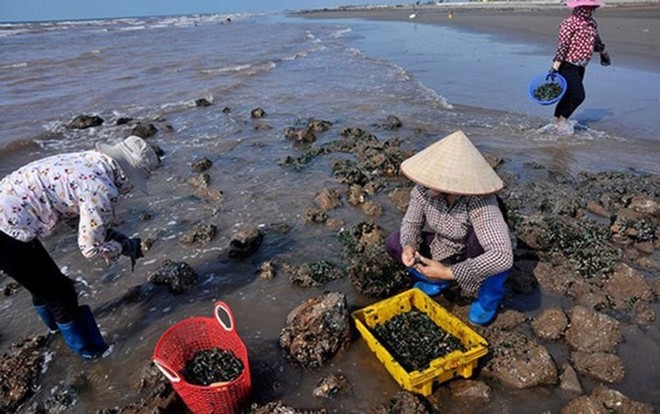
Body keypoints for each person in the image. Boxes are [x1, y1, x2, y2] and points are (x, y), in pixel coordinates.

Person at [0, 136, 160, 359]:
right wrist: (120, 247)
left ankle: (56, 331)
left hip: (10, 214)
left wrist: (110, 235)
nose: (130, 189)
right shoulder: (101, 189)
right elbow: (89, 249)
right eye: (134, 180)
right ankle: (92, 356)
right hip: (8, 227)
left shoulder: (89, 161)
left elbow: (70, 209)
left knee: (41, 283)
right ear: (125, 173)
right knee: (61, 293)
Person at [385, 130, 513, 326]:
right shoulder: (422, 190)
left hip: (475, 252)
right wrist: (409, 246)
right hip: (444, 247)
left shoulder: (480, 201)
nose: (425, 183)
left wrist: (449, 272)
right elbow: (411, 224)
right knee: (395, 243)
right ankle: (438, 281)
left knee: (484, 247)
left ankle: (488, 299)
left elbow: (501, 256)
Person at [550, 0, 610, 135]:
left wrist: (603, 54)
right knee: (578, 95)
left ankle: (555, 121)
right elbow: (563, 46)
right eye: (589, 7)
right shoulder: (568, 23)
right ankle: (561, 122)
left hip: (581, 66)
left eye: (592, 7)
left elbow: (596, 42)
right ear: (580, 7)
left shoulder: (592, 23)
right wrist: (555, 67)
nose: (591, 9)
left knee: (568, 95)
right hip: (567, 65)